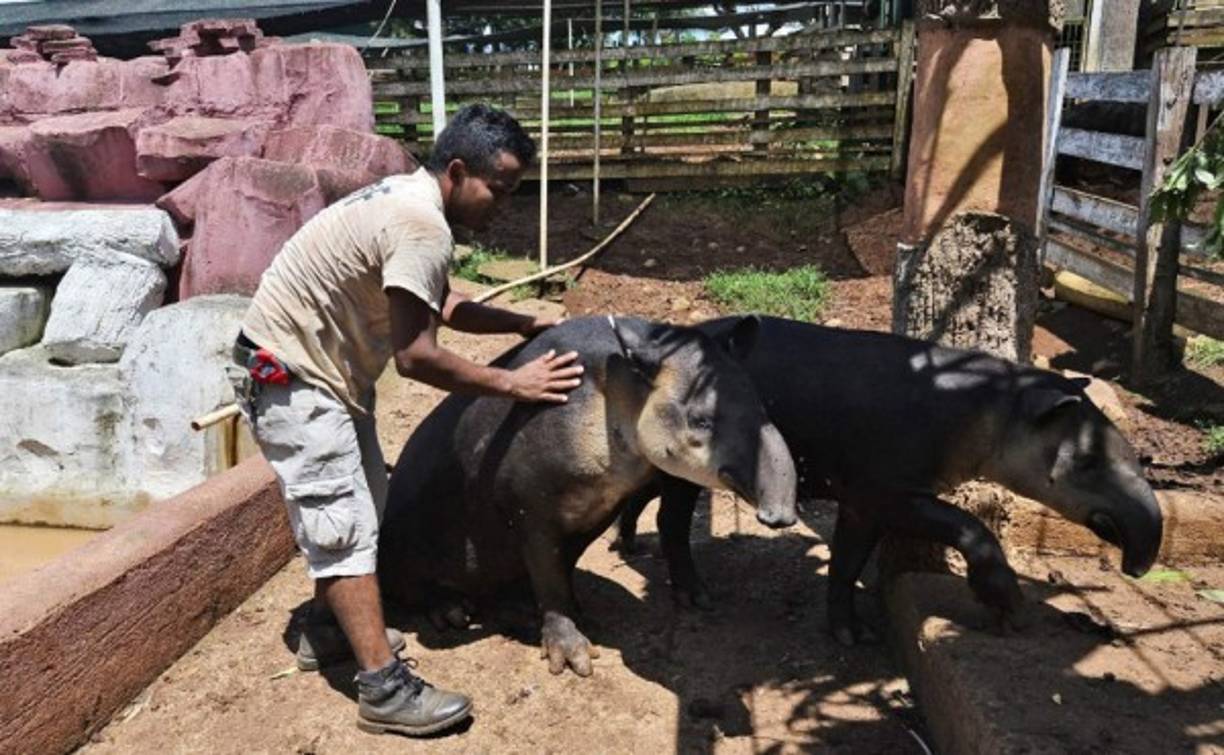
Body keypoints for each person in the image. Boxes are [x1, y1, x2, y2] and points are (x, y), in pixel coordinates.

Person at [227, 104, 583, 737]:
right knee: (341, 526)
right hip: (293, 383)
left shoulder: (412, 203)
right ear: (456, 170)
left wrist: (526, 325)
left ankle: (324, 631)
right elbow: (416, 357)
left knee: (365, 503)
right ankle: (383, 690)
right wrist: (513, 383)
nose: (503, 204)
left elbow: (441, 306)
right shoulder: (422, 225)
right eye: (497, 189)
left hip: (321, 378)